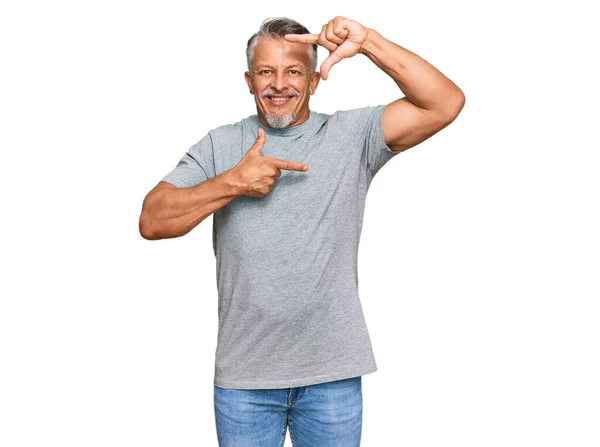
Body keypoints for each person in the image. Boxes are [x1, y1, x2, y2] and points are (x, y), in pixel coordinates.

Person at [139, 15, 464, 447]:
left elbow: (444, 103)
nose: (279, 84)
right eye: (266, 72)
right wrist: (233, 182)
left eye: (293, 71)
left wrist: (369, 43)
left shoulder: (352, 136)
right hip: (245, 380)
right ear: (249, 81)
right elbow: (152, 220)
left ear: (313, 82)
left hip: (332, 376)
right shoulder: (220, 145)